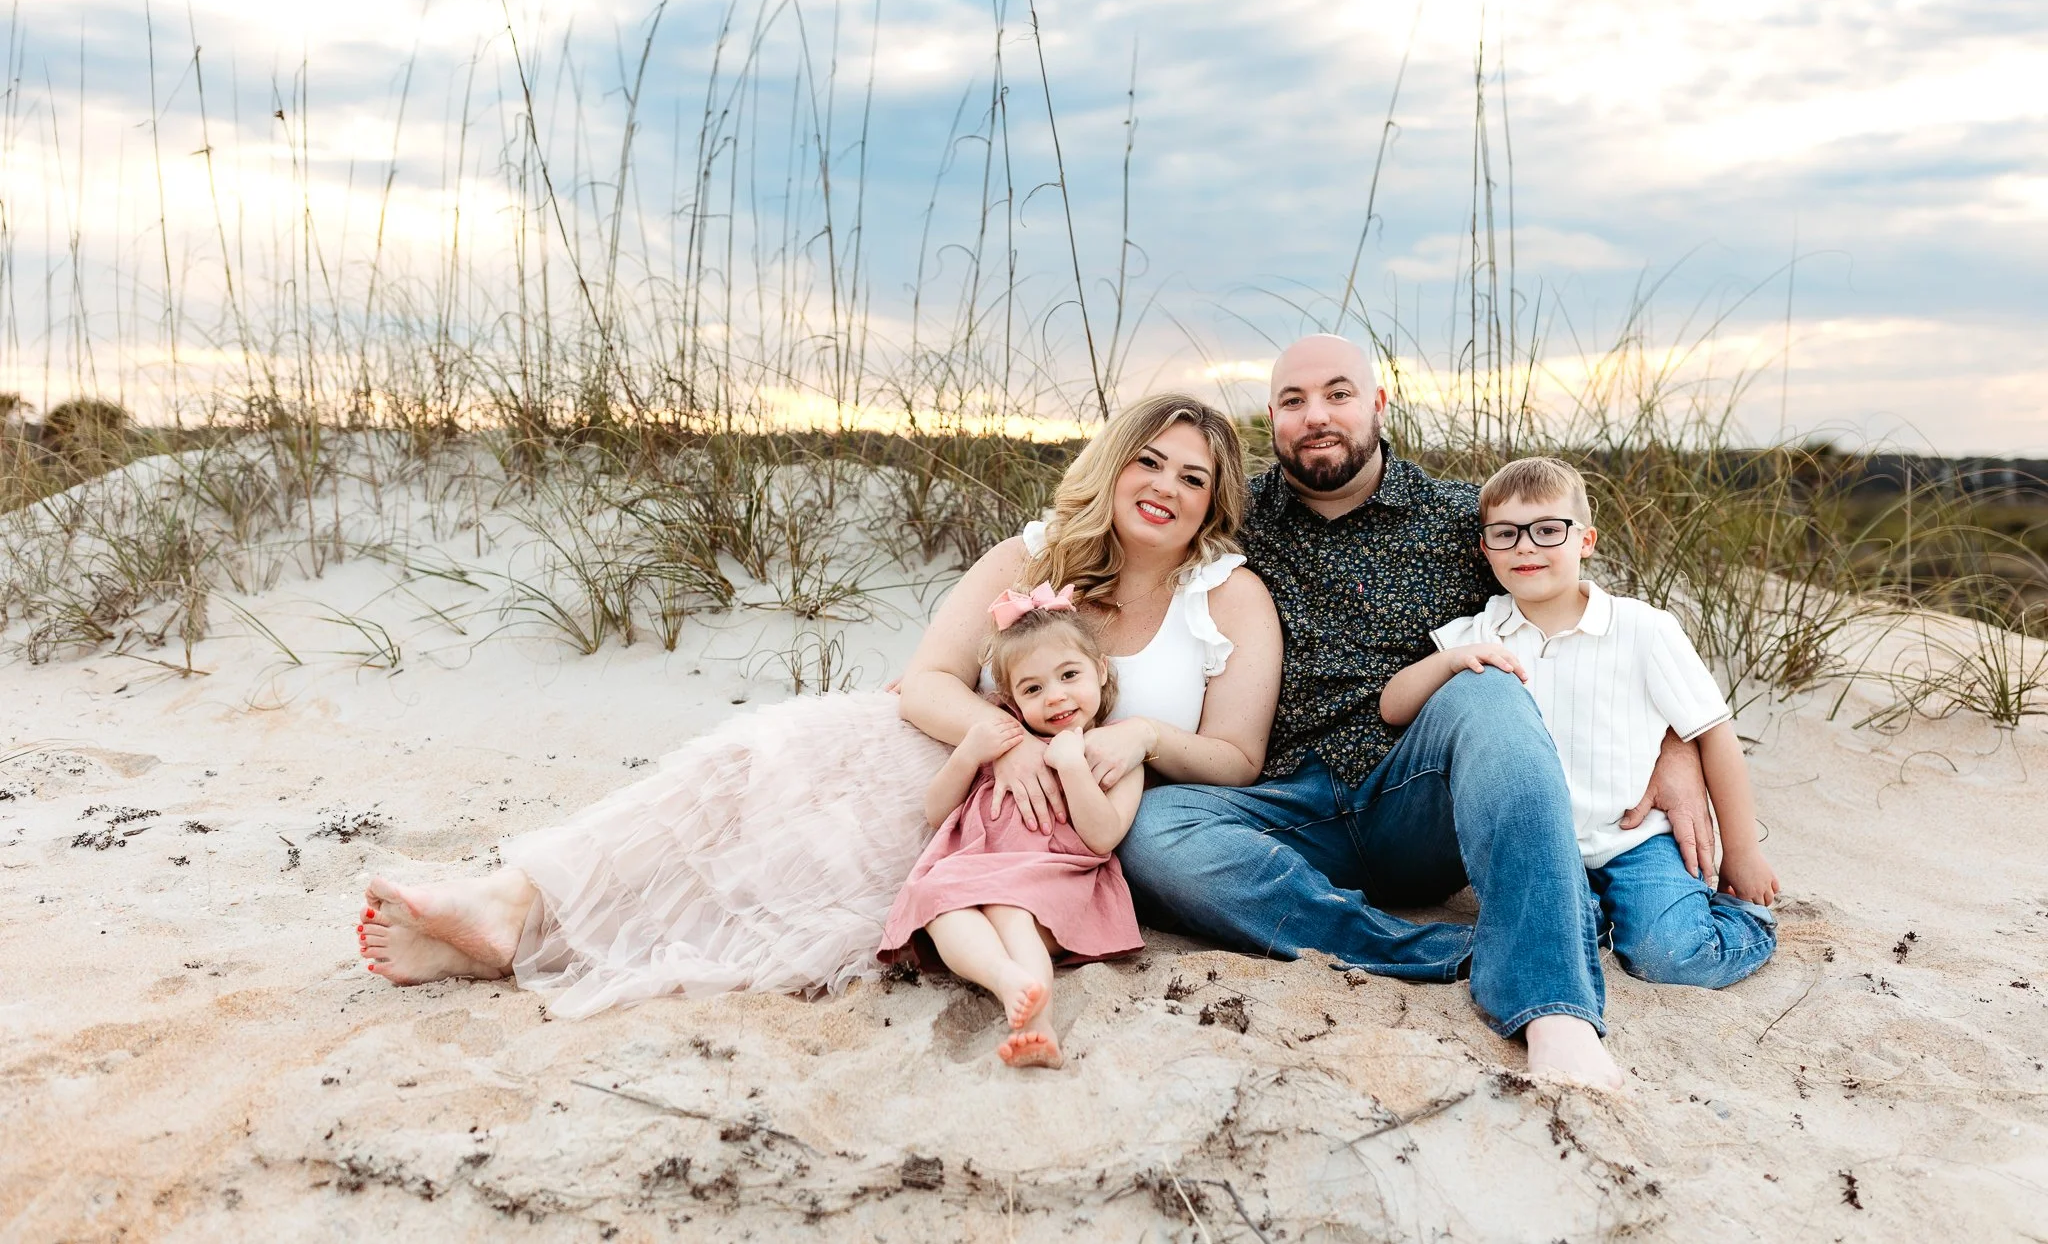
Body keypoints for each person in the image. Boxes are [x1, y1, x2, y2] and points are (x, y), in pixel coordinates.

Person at [355, 394, 1282, 1018]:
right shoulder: (1034, 556)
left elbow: (1237, 758)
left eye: (1192, 478)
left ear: (1214, 501)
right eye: (1149, 462)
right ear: (1116, 465)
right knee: (734, 774)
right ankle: (508, 897)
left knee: (768, 884)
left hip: (1033, 827)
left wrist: (1143, 735)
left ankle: (507, 939)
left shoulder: (1229, 595)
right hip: (944, 755)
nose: (1165, 487)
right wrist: (1003, 744)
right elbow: (926, 682)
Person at [1116, 335, 1713, 1091]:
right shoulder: (1232, 516)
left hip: (1421, 793)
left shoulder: (1463, 518)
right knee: (1152, 829)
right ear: (1271, 419)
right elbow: (1111, 540)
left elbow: (1596, 619)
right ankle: (1433, 950)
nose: (1316, 416)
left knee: (1486, 687)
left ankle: (1552, 1006)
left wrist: (1675, 745)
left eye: (1337, 394)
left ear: (1378, 403)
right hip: (1283, 803)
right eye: (1293, 402)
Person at [1380, 456, 1778, 990]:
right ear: (1485, 549)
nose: (1526, 546)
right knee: (1569, 932)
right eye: (1506, 534)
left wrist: (1743, 852)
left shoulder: (1643, 629)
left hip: (1638, 840)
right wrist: (1450, 659)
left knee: (1672, 956)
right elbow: (1393, 706)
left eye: (1548, 530)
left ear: (1585, 540)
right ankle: (1596, 916)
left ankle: (1744, 923)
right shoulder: (1479, 631)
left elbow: (1713, 734)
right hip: (1543, 845)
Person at [880, 587, 1145, 1069]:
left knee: (1009, 909)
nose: (1056, 695)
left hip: (1054, 883)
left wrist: (1072, 769)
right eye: (1033, 689)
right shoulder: (1003, 733)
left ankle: (1036, 1025)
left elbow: (1104, 836)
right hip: (974, 870)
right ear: (1010, 699)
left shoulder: (1112, 754)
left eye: (1069, 675)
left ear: (1101, 671)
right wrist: (969, 752)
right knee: (936, 899)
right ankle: (1006, 978)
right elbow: (937, 811)